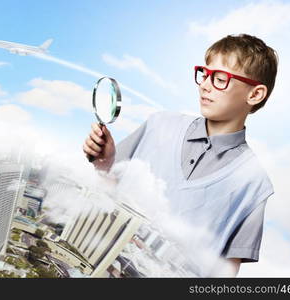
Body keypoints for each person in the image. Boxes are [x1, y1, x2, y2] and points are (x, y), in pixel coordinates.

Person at [82, 34, 278, 277]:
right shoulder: (159, 124)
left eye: (219, 79)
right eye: (204, 74)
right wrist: (104, 164)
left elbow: (225, 272)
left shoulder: (254, 183)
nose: (205, 85)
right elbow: (105, 197)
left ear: (255, 94)